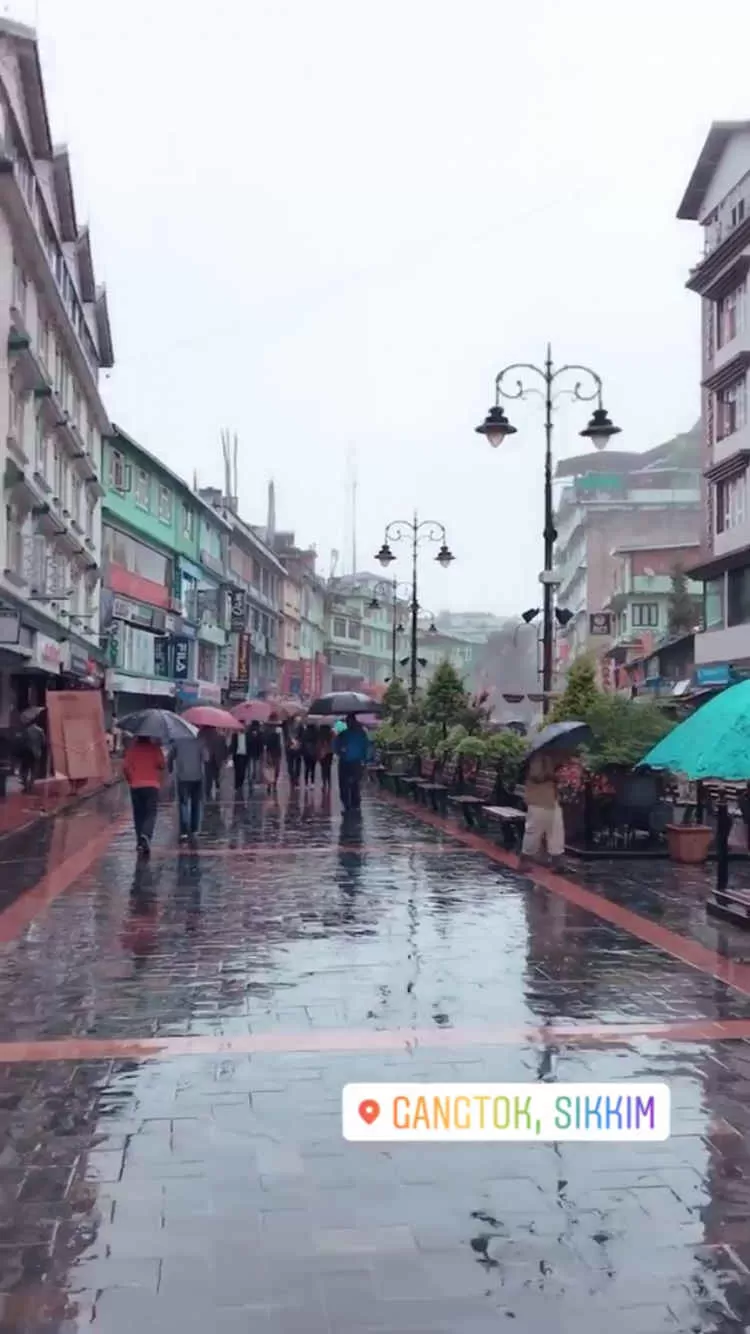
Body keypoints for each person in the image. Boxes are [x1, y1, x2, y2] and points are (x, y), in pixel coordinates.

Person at [518, 752, 565, 870]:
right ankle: (524, 860)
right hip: (539, 801)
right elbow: (537, 776)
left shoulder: (549, 757)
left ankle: (557, 862)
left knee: (556, 831)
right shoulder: (537, 758)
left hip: (552, 800)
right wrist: (554, 775)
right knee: (534, 832)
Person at [123, 735, 165, 855]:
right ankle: (145, 835)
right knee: (150, 813)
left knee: (138, 815)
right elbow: (162, 765)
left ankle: (139, 842)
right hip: (152, 785)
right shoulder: (154, 748)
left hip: (136, 786)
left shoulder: (132, 749)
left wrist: (131, 779)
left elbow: (125, 767)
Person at [170, 732, 204, 843]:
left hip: (182, 777)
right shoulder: (199, 740)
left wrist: (170, 768)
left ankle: (184, 830)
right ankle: (194, 830)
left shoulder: (177, 740)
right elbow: (207, 758)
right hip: (197, 777)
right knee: (196, 804)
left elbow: (170, 757)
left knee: (183, 803)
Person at [334, 714, 369, 813]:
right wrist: (365, 760)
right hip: (356, 762)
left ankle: (347, 803)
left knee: (345, 784)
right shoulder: (361, 733)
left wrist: (341, 751)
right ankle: (355, 803)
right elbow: (366, 747)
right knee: (355, 783)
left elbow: (336, 747)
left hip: (346, 761)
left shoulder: (343, 734)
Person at [201, 727, 227, 800]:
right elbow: (223, 748)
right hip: (216, 758)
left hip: (208, 758)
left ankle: (208, 792)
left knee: (208, 776)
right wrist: (224, 758)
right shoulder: (219, 736)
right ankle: (216, 788)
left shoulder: (202, 734)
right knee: (215, 774)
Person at [261, 713, 283, 792]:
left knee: (272, 769)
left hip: (272, 751)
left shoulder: (273, 729)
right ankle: (272, 784)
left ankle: (271, 784)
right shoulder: (271, 729)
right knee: (274, 769)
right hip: (273, 751)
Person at [231, 724, 250, 794]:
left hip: (244, 755)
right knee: (237, 770)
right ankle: (237, 785)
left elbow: (249, 744)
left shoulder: (247, 736)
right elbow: (232, 746)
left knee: (242, 770)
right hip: (237, 755)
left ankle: (240, 783)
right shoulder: (235, 736)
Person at [301, 721, 318, 788]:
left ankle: (306, 783)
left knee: (307, 768)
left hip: (306, 753)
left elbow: (302, 742)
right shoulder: (316, 733)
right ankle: (312, 783)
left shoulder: (305, 732)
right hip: (314, 753)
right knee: (313, 768)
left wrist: (302, 752)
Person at [318, 724, 334, 793]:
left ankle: (324, 783)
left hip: (322, 752)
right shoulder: (331, 733)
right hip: (329, 752)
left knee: (323, 768)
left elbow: (318, 744)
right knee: (328, 768)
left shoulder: (319, 734)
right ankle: (329, 783)